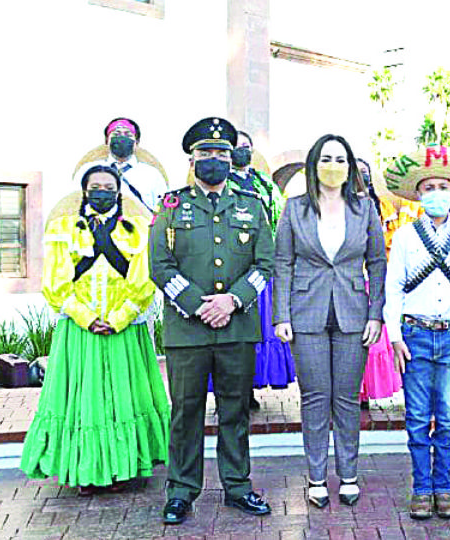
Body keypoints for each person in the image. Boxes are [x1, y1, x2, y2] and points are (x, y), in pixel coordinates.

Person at [150, 117, 274, 524]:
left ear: (232, 157)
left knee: (235, 410)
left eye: (222, 153)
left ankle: (237, 486)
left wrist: (232, 301)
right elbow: (160, 265)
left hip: (236, 328)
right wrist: (197, 303)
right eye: (206, 153)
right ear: (192, 158)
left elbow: (265, 264)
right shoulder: (170, 205)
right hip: (188, 330)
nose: (214, 160)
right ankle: (182, 490)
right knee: (185, 412)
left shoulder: (251, 204)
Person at [21, 162, 169, 495]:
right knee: (84, 400)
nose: (101, 192)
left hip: (124, 329)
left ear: (118, 192)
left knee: (126, 397)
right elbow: (55, 281)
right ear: (84, 191)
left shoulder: (135, 230)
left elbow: (144, 279)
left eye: (108, 187)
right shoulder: (65, 228)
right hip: (80, 331)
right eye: (95, 187)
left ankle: (127, 467)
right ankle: (85, 471)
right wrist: (85, 316)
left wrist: (120, 316)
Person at [272, 134, 387, 508]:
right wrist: (281, 315)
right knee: (315, 397)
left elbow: (377, 263)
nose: (333, 166)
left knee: (347, 399)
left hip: (353, 311)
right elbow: (283, 262)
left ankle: (349, 474)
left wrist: (375, 313)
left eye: (340, 159)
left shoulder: (365, 208)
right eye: (326, 159)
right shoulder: (295, 208)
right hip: (307, 313)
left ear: (350, 165)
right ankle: (317, 476)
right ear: (313, 165)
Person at [383, 145, 450, 520]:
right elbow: (393, 288)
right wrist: (394, 336)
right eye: (430, 188)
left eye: (444, 186)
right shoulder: (407, 237)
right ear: (420, 195)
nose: (437, 193)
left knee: (445, 415)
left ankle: (444, 486)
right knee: (415, 417)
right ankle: (421, 487)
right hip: (415, 335)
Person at [227, 130, 294, 404]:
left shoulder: (264, 183)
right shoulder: (221, 182)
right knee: (235, 329)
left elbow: (278, 219)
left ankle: (253, 386)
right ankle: (233, 389)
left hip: (262, 265)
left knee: (259, 328)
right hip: (231, 266)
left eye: (246, 146)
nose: (242, 151)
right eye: (237, 147)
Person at [356, 157, 402, 404]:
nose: (360, 177)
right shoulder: (337, 205)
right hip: (349, 281)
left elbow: (389, 242)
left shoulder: (381, 206)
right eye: (356, 172)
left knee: (373, 338)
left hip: (374, 277)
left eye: (365, 172)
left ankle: (368, 392)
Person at [101, 117, 169, 212]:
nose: (122, 138)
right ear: (107, 140)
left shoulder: (153, 175)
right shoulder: (88, 171)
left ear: (136, 142)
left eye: (128, 135)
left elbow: (164, 212)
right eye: (116, 134)